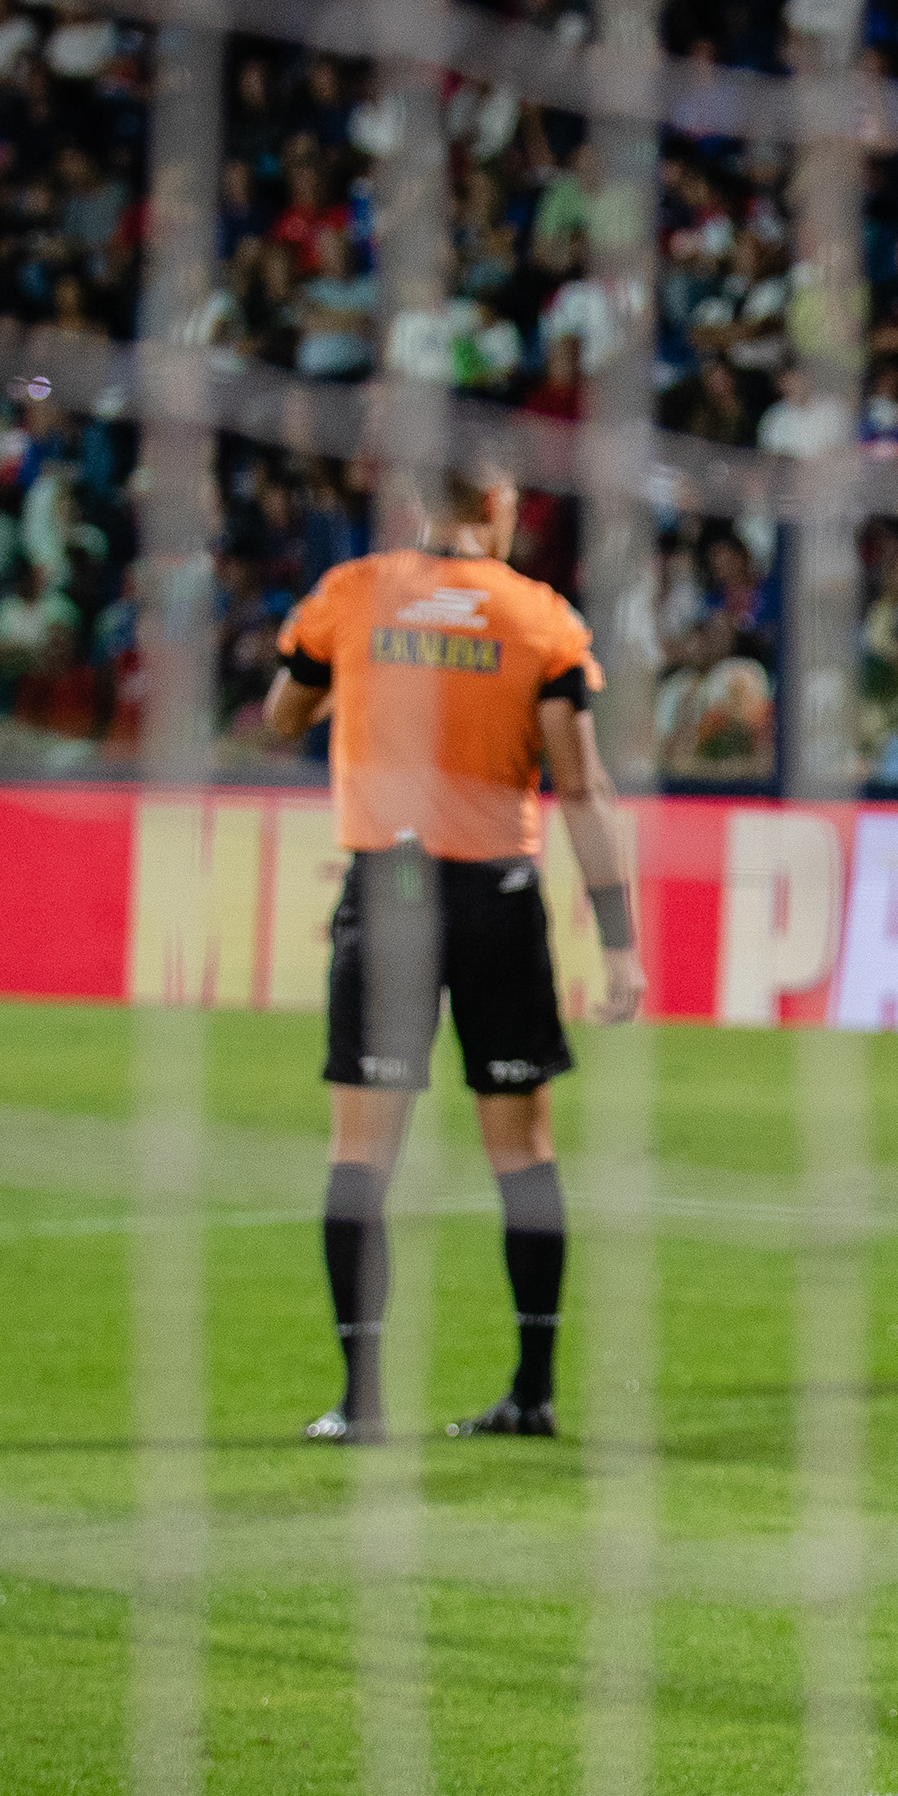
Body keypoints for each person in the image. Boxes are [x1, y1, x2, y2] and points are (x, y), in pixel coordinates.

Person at [266, 462, 644, 1442]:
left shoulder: (353, 594)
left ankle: (363, 1400)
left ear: (415, 505)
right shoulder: (541, 619)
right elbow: (581, 788)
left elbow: (280, 716)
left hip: (388, 888)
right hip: (495, 895)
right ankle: (532, 1392)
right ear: (498, 507)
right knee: (522, 1150)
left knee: (361, 1152)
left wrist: (370, 687)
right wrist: (620, 944)